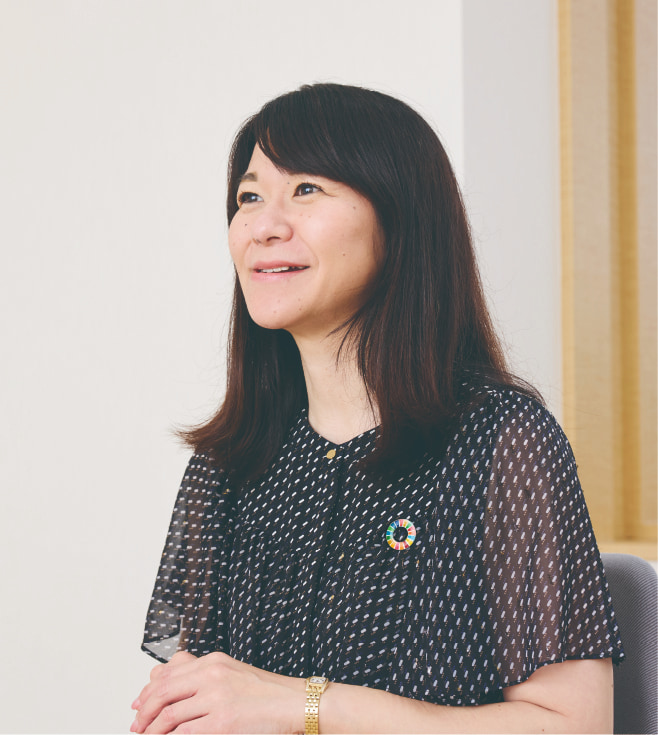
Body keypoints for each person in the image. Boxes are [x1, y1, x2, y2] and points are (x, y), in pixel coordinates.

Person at [131, 83, 624, 734]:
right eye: (249, 197)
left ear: (399, 220)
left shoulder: (501, 441)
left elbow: (574, 725)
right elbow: (202, 706)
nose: (264, 225)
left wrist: (307, 704)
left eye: (306, 189)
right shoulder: (231, 463)